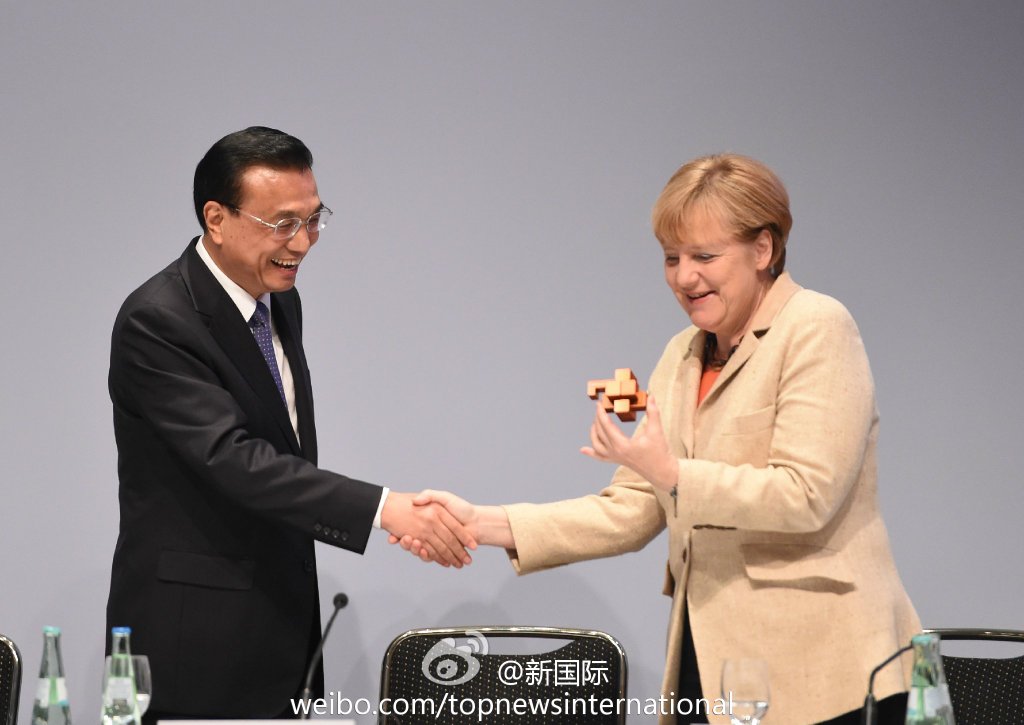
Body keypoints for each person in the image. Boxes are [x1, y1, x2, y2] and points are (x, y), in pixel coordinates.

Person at [399, 154, 920, 724]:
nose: (684, 277)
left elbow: (806, 494)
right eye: (672, 258)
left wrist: (670, 474)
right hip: (712, 659)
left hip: (823, 671)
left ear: (763, 249)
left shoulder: (816, 326)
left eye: (705, 256)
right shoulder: (683, 354)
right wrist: (481, 523)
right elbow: (633, 508)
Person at [106, 126, 474, 721]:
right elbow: (236, 460)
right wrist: (385, 509)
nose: (302, 243)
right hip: (194, 640)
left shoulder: (279, 300)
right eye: (282, 224)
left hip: (278, 622)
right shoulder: (158, 320)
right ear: (216, 218)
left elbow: (282, 447)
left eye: (313, 219)